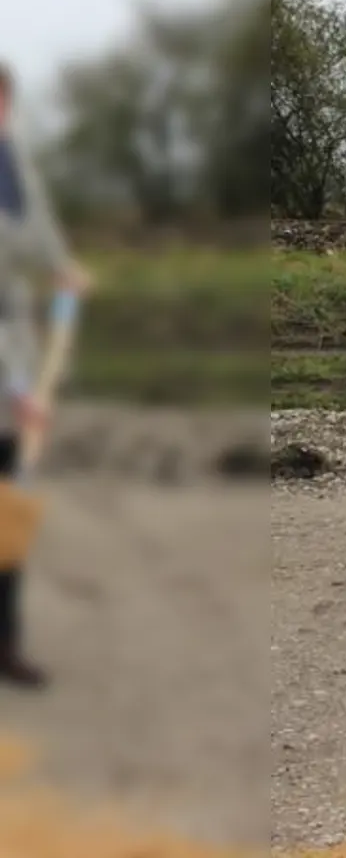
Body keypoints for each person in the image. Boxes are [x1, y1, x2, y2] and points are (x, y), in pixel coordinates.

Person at [0, 60, 92, 688]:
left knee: (10, 516)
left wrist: (62, 268)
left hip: (14, 362)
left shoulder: (9, 167)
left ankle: (5, 644)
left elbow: (35, 229)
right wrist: (19, 391)